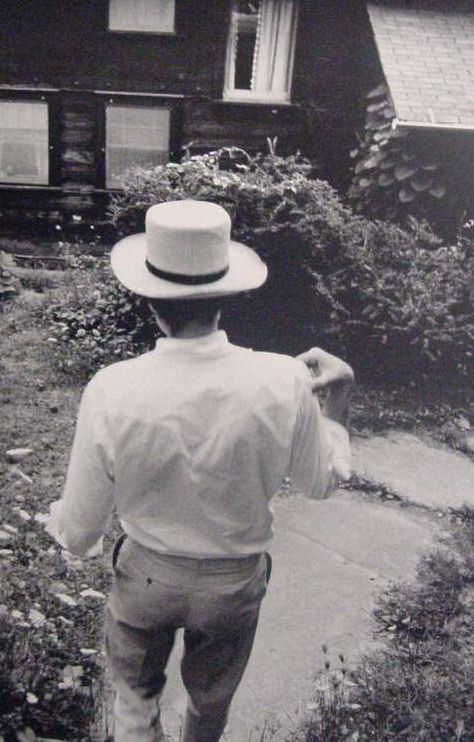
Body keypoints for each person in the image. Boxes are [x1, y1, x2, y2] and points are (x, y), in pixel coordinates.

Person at [46, 199, 354, 742]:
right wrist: (340, 400)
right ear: (229, 293)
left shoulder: (112, 387)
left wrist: (66, 528)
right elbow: (320, 483)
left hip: (146, 576)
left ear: (149, 301)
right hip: (233, 584)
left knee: (135, 701)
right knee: (210, 705)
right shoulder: (283, 379)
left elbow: (78, 532)